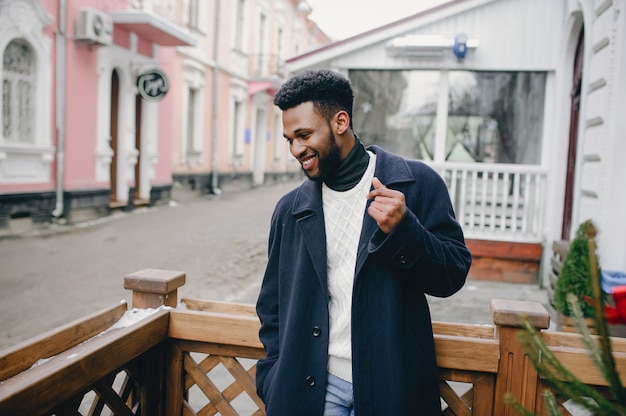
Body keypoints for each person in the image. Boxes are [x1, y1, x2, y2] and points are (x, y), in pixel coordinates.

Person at [255, 68, 472, 415]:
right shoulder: (290, 211)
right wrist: (274, 377)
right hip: (314, 392)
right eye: (289, 139)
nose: (296, 149)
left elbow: (452, 276)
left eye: (304, 134)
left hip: (392, 390)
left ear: (340, 122)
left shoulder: (416, 185)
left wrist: (406, 231)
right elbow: (271, 307)